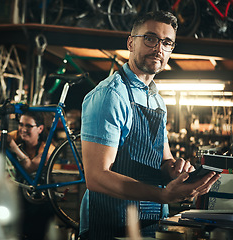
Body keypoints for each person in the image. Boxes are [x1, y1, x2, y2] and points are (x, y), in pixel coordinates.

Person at [79, 10, 221, 239]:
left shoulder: (156, 100)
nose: (159, 49)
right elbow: (96, 176)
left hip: (151, 220)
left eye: (167, 43)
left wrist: (178, 172)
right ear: (131, 43)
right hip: (109, 222)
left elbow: (165, 160)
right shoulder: (110, 95)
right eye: (151, 38)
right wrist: (163, 195)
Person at [7, 112, 56, 240]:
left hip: (41, 203)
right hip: (20, 201)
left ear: (40, 129)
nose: (23, 129)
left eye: (28, 126)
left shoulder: (48, 148)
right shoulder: (17, 138)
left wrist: (14, 148)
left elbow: (30, 167)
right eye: (21, 124)